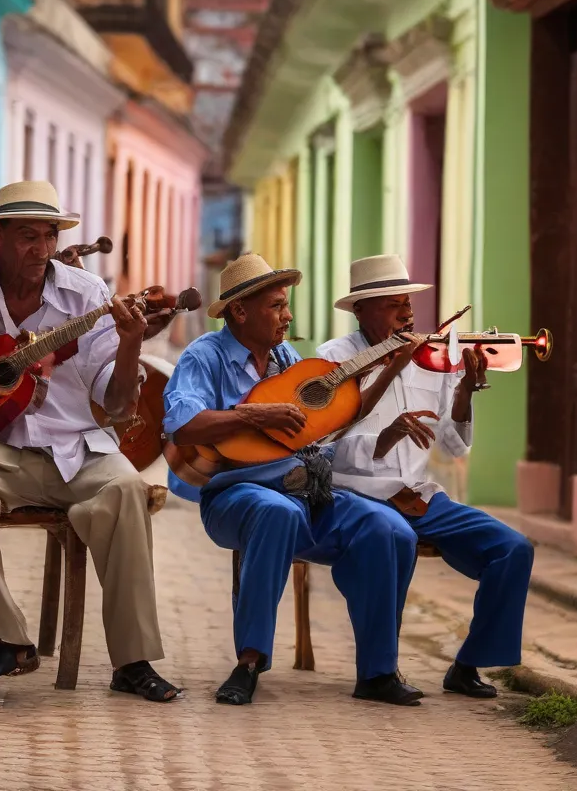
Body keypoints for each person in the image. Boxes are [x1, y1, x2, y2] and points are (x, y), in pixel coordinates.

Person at [0, 180, 181, 701]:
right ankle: (8, 638)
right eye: (28, 235)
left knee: (125, 490)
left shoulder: (86, 296)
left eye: (49, 235)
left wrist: (131, 343)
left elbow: (117, 407)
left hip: (76, 448)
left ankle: (133, 662)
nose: (42, 249)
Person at [162, 253, 422, 706]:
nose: (288, 316)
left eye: (286, 305)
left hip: (308, 490)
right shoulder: (205, 356)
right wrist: (248, 414)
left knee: (392, 529)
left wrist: (391, 364)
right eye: (277, 306)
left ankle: (378, 671)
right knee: (276, 512)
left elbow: (334, 420)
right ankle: (249, 661)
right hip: (236, 494)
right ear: (240, 312)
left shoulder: (287, 358)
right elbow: (181, 425)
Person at [318, 254, 534, 699]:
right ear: (361, 309)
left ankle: (468, 664)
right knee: (392, 535)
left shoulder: (431, 360)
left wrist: (465, 392)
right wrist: (383, 439)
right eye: (394, 304)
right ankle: (377, 674)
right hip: (357, 496)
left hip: (417, 496)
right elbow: (320, 452)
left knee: (512, 550)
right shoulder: (332, 361)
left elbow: (454, 445)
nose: (408, 313)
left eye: (408, 303)